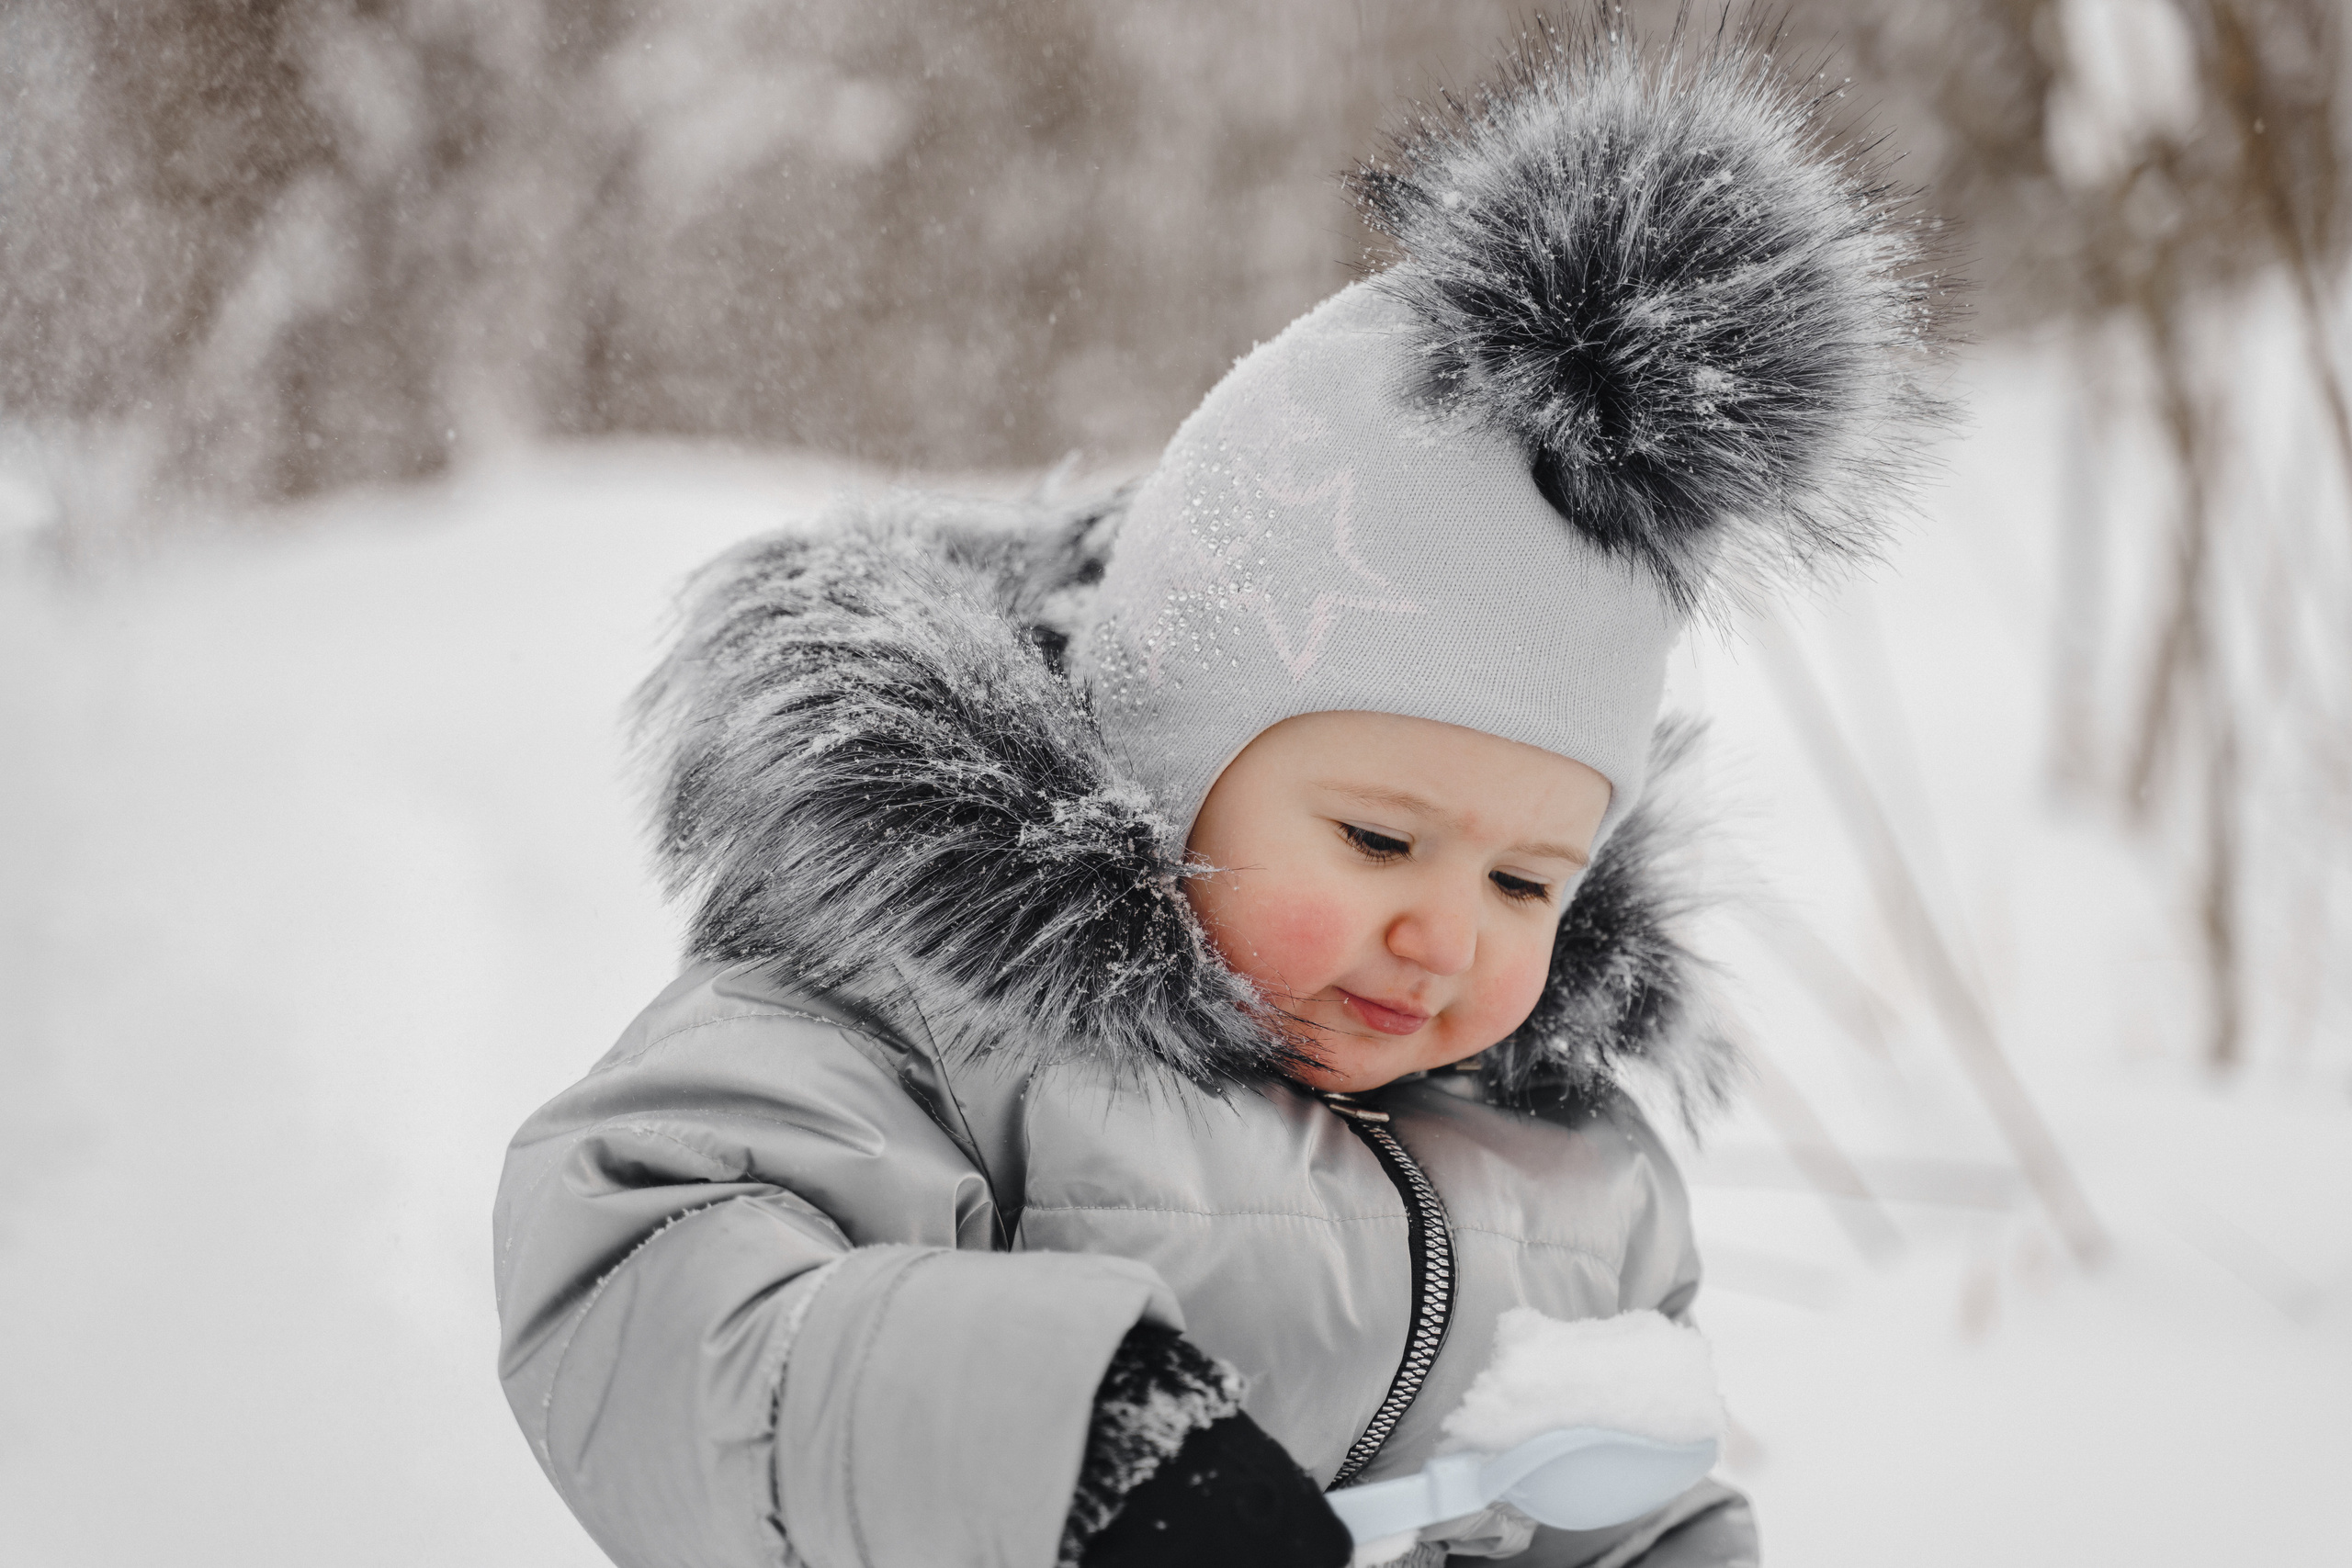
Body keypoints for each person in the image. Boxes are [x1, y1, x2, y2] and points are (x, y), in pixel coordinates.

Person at [492, 17, 1947, 1568]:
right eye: (1382, 839)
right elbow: (642, 1284)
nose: (1449, 936)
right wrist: (1075, 1447)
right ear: (1165, 768)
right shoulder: (931, 1013)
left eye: (1529, 883)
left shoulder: (1581, 1179)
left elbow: (1626, 1506)